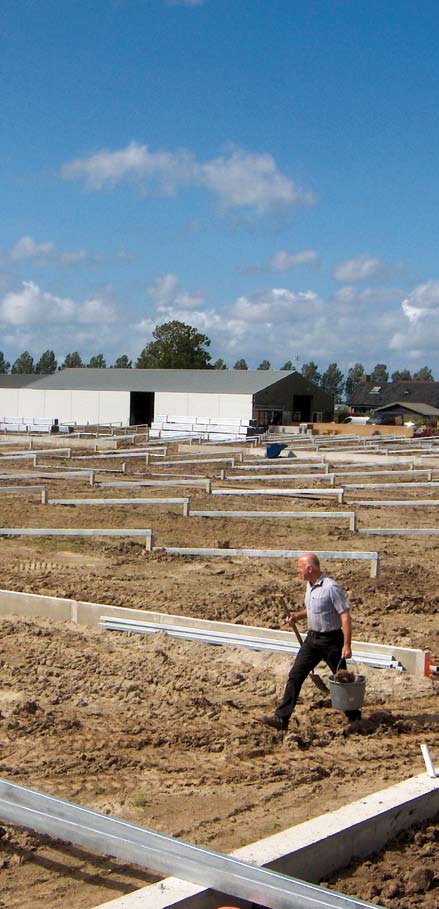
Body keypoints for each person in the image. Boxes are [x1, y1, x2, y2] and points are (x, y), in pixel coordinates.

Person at [259, 552, 361, 731]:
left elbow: (345, 616)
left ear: (309, 568)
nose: (297, 571)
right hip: (312, 639)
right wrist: (297, 617)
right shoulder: (310, 586)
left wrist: (346, 644)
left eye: (299, 568)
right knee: (295, 675)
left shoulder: (331, 588)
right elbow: (312, 609)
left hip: (332, 641)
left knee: (342, 680)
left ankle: (355, 718)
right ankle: (282, 718)